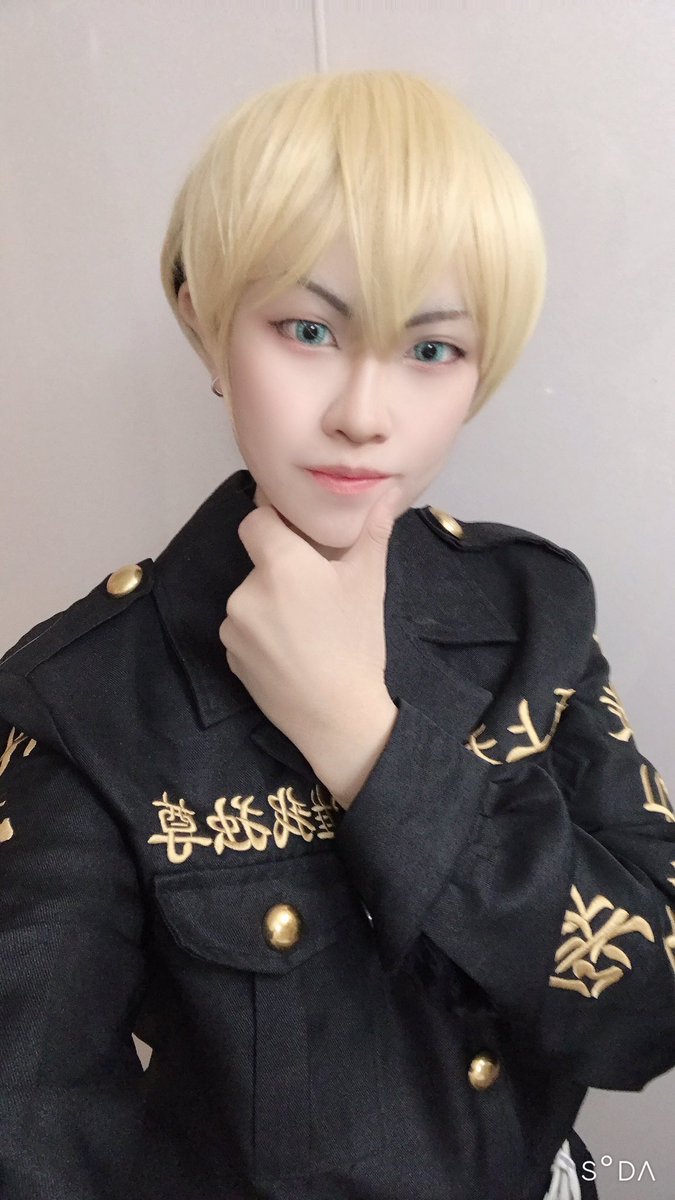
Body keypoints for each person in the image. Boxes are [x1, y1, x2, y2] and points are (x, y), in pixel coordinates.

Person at [0, 68, 673, 1200]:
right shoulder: (83, 703)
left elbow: (648, 1009)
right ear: (202, 319)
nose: (365, 413)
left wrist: (369, 742)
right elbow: (35, 1139)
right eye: (308, 329)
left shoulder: (529, 612)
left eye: (432, 349)